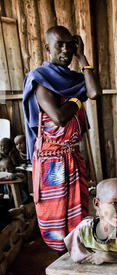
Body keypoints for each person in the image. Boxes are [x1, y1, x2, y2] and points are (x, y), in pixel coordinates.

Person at [23, 25, 101, 253]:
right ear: (48, 48)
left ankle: (77, 260)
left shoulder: (75, 79)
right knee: (55, 217)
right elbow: (58, 117)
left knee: (78, 213)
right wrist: (78, 98)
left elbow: (95, 92)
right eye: (59, 44)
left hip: (72, 156)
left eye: (70, 44)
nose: (65, 49)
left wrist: (83, 56)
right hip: (51, 161)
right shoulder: (40, 79)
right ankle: (63, 266)